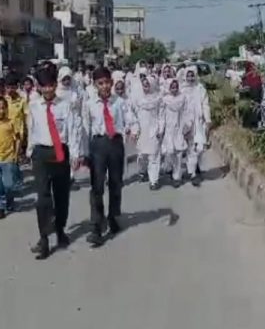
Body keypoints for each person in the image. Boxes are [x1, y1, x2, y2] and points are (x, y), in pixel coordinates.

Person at [26, 67, 83, 259]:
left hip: (61, 153)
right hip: (41, 153)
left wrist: (75, 155)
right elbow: (31, 128)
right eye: (45, 86)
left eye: (51, 86)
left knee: (61, 196)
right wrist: (29, 150)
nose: (48, 90)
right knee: (42, 198)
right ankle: (44, 239)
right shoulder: (33, 105)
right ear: (39, 87)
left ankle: (60, 229)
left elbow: (73, 130)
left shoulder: (64, 106)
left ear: (55, 85)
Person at [81, 67, 138, 247]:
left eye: (107, 82)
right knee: (97, 186)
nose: (105, 86)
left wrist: (134, 130)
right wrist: (84, 153)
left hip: (115, 144)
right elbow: (84, 130)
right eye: (100, 83)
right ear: (95, 85)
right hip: (98, 145)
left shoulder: (120, 102)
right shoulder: (89, 104)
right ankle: (96, 226)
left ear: (112, 83)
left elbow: (131, 119)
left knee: (115, 184)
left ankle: (113, 216)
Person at [181, 66, 211, 185]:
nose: (190, 78)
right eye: (188, 75)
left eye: (192, 75)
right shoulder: (182, 90)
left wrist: (208, 119)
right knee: (190, 147)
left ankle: (194, 166)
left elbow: (205, 104)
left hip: (199, 122)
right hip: (186, 122)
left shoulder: (200, 88)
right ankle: (192, 173)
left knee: (200, 147)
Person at [133, 75, 164, 190]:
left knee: (154, 156)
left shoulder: (158, 99)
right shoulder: (138, 99)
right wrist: (135, 129)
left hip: (154, 130)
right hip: (141, 130)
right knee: (142, 156)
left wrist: (160, 129)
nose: (145, 86)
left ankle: (154, 180)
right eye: (144, 85)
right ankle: (142, 172)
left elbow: (161, 115)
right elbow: (133, 115)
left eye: (148, 84)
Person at [160, 79, 191, 187]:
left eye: (175, 87)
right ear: (168, 88)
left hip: (179, 128)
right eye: (172, 87)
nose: (174, 89)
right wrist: (161, 129)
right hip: (169, 129)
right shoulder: (165, 100)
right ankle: (170, 168)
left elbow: (187, 112)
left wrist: (187, 126)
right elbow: (162, 116)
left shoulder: (183, 98)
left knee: (179, 153)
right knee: (170, 152)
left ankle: (177, 176)